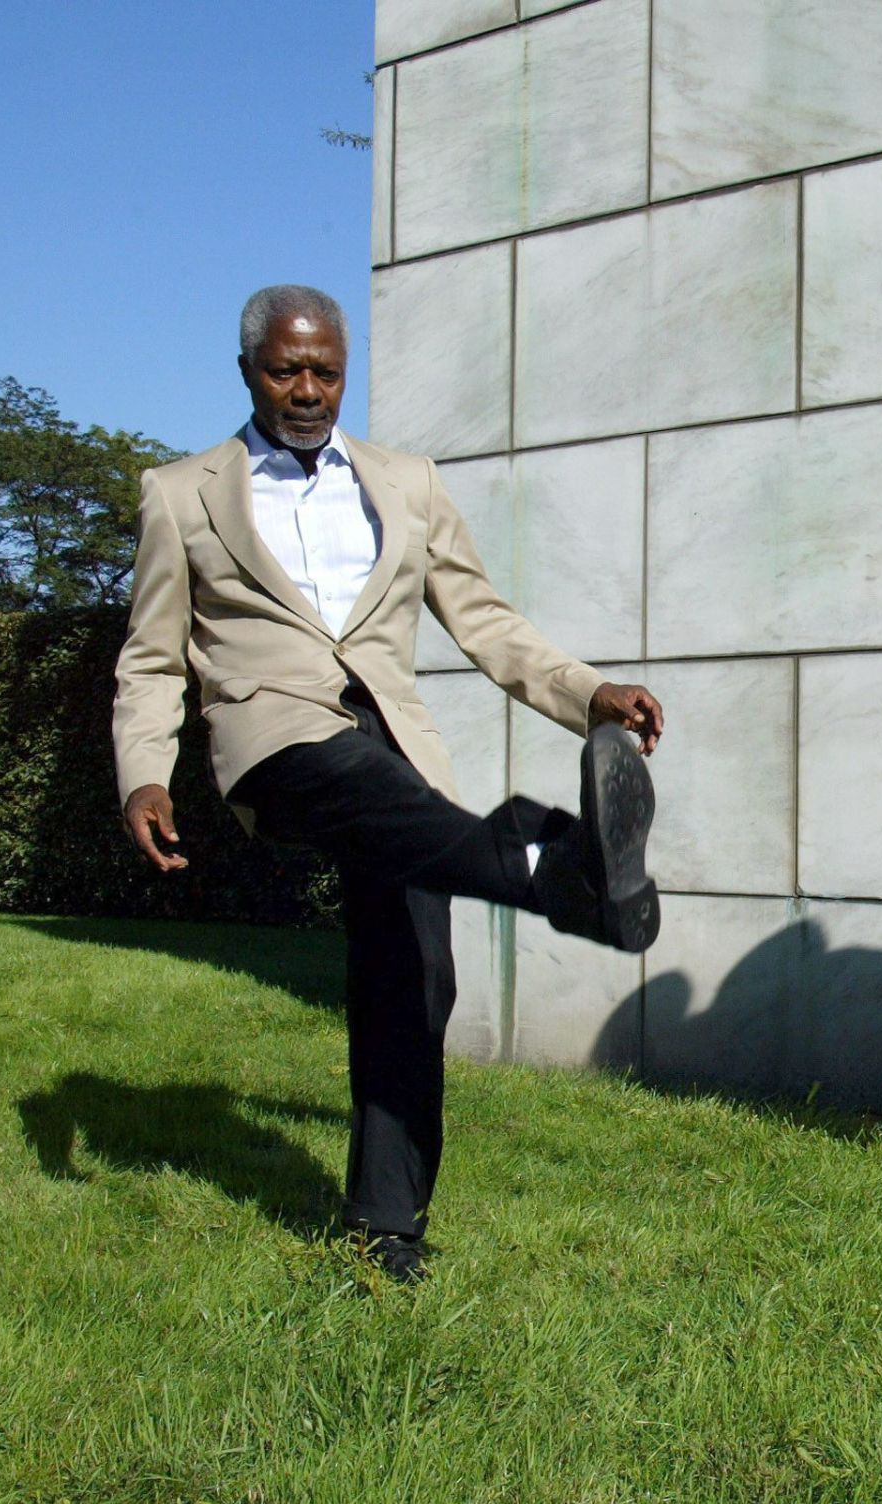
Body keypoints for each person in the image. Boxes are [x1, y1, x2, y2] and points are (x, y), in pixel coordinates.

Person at [114, 284, 665, 1281]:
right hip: (279, 737)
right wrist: (142, 775)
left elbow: (484, 618)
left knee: (413, 976)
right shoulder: (182, 492)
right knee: (353, 778)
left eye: (326, 369)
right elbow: (152, 659)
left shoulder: (404, 481)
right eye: (287, 369)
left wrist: (589, 693)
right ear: (248, 371)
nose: (309, 389)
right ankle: (550, 859)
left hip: (398, 746)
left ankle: (388, 1221)